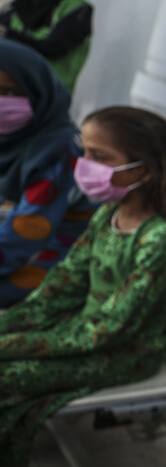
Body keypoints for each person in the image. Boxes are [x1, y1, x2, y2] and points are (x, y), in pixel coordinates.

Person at [0, 105, 166, 467]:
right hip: (86, 332)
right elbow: (61, 288)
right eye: (84, 151)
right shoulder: (109, 215)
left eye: (100, 157)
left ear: (145, 168)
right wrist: (8, 326)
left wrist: (16, 343)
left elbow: (111, 328)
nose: (84, 166)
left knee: (7, 377)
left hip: (129, 350)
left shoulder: (164, 238)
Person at [0, 38, 94, 307]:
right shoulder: (14, 141)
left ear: (37, 92)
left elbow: (27, 232)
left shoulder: (57, 152)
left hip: (64, 258)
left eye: (8, 92)